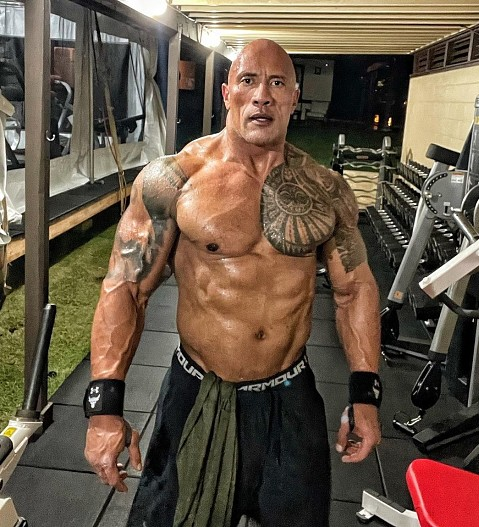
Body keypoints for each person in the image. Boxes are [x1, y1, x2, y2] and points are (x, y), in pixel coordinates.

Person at [84, 38, 382, 527]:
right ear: (227, 93)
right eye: (248, 81)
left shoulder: (326, 190)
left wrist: (365, 394)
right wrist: (104, 408)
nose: (262, 95)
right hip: (199, 392)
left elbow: (355, 291)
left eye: (277, 83)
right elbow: (126, 287)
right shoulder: (175, 179)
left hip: (290, 397)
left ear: (294, 97)